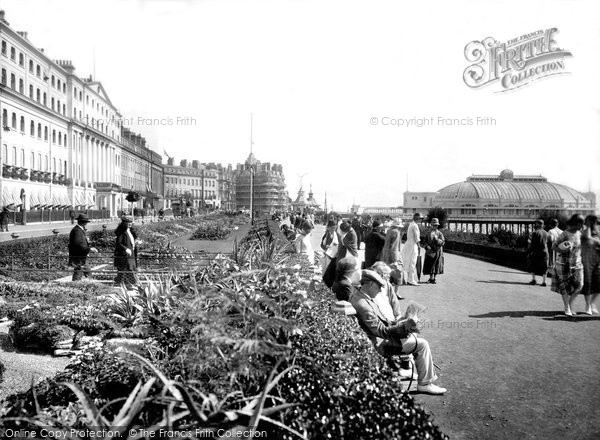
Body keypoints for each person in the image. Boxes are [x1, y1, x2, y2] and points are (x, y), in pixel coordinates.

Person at [350, 270, 446, 395]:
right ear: (371, 285)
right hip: (381, 345)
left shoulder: (362, 297)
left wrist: (401, 322)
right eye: (379, 287)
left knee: (415, 334)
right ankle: (424, 384)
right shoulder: (363, 304)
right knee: (423, 344)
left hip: (379, 340)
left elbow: (382, 325)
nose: (380, 291)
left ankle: (412, 371)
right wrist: (405, 326)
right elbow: (381, 331)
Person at [551, 214, 585, 316]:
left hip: (577, 263)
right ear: (575, 223)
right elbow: (554, 246)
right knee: (564, 287)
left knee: (580, 285)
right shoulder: (565, 234)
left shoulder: (580, 234)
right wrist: (562, 249)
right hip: (563, 263)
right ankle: (567, 308)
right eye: (581, 224)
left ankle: (570, 304)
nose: (582, 226)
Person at [68, 213, 98, 281]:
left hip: (82, 257)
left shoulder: (79, 230)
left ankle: (89, 284)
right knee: (78, 273)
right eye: (86, 222)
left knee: (87, 272)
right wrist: (89, 249)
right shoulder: (77, 231)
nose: (87, 224)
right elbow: (77, 244)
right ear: (84, 223)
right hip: (78, 257)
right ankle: (75, 286)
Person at [114, 215, 141, 289]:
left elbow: (132, 241)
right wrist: (125, 249)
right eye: (128, 222)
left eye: (131, 222)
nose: (130, 223)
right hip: (124, 255)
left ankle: (129, 284)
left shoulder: (130, 231)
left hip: (131, 254)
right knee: (128, 269)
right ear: (124, 223)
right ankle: (130, 285)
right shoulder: (122, 232)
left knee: (130, 269)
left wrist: (136, 242)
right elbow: (119, 243)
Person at [581, 215, 600, 315]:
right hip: (586, 261)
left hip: (596, 261)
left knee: (598, 284)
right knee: (588, 284)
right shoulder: (585, 232)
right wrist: (588, 225)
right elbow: (588, 238)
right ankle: (588, 305)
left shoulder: (597, 232)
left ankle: (592, 303)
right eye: (594, 222)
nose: (595, 224)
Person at [382, 226, 404, 295]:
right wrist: (396, 259)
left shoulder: (389, 231)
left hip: (386, 255)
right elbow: (394, 246)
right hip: (394, 255)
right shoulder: (396, 232)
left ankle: (388, 293)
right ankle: (396, 293)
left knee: (388, 275)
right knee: (398, 273)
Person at [402, 213, 423, 286]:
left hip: (408, 244)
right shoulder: (415, 225)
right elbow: (417, 237)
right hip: (412, 245)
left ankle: (407, 279)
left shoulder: (411, 224)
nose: (421, 220)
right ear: (418, 218)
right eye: (420, 219)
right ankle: (411, 280)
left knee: (408, 262)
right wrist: (419, 245)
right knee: (412, 262)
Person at [423, 218, 445, 284]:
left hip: (437, 251)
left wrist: (437, 239)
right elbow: (424, 241)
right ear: (431, 225)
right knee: (430, 264)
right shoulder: (428, 233)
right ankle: (430, 278)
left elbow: (442, 242)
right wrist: (427, 246)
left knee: (436, 265)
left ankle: (434, 278)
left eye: (436, 225)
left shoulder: (440, 234)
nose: (434, 226)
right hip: (430, 251)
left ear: (437, 226)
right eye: (433, 225)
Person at [527, 219, 549, 286]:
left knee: (533, 266)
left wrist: (529, 252)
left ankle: (534, 280)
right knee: (545, 267)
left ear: (537, 224)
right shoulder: (547, 233)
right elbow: (549, 243)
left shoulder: (533, 233)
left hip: (535, 252)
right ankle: (544, 282)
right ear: (543, 225)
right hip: (545, 252)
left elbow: (529, 243)